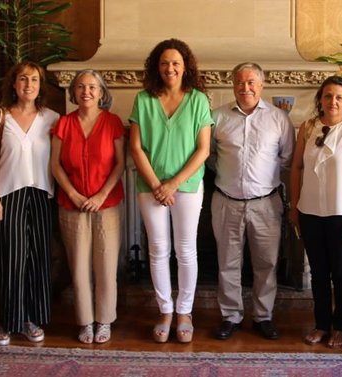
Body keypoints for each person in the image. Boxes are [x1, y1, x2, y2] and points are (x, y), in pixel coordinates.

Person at [128, 39, 212, 343]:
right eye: (164, 63)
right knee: (158, 250)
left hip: (187, 187)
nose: (170, 68)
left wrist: (172, 185)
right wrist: (156, 186)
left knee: (186, 250)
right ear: (156, 67)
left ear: (185, 66)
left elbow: (203, 150)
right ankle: (165, 310)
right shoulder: (142, 99)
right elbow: (135, 148)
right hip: (149, 187)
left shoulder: (199, 100)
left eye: (176, 62)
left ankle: (184, 312)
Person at [210, 62, 295, 341]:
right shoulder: (217, 117)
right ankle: (230, 316)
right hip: (226, 201)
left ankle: (263, 316)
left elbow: (287, 159)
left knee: (266, 263)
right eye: (240, 82)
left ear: (261, 85)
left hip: (266, 203)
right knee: (227, 263)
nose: (245, 87)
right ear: (232, 84)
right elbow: (208, 155)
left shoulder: (278, 119)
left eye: (251, 82)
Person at [0, 62, 59, 346]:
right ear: (13, 84)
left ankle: (31, 319)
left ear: (41, 86)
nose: (28, 84)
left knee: (38, 259)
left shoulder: (52, 118)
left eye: (34, 80)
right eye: (23, 79)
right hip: (7, 196)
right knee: (10, 260)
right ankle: (7, 321)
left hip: (41, 194)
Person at [288, 76, 342, 348]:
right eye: (327, 96)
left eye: (338, 97)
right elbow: (296, 168)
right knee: (318, 273)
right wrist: (294, 205)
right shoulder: (308, 129)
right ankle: (321, 324)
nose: (332, 101)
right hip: (310, 212)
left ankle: (341, 326)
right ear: (320, 100)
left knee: (341, 273)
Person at [51, 70, 126, 344]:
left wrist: (100, 196)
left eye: (93, 87)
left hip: (106, 204)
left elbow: (119, 164)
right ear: (73, 92)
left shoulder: (113, 123)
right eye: (81, 87)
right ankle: (85, 322)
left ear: (102, 93)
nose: (87, 92)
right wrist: (73, 194)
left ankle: (105, 320)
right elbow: (55, 165)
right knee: (79, 266)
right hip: (71, 205)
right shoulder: (63, 124)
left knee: (106, 264)